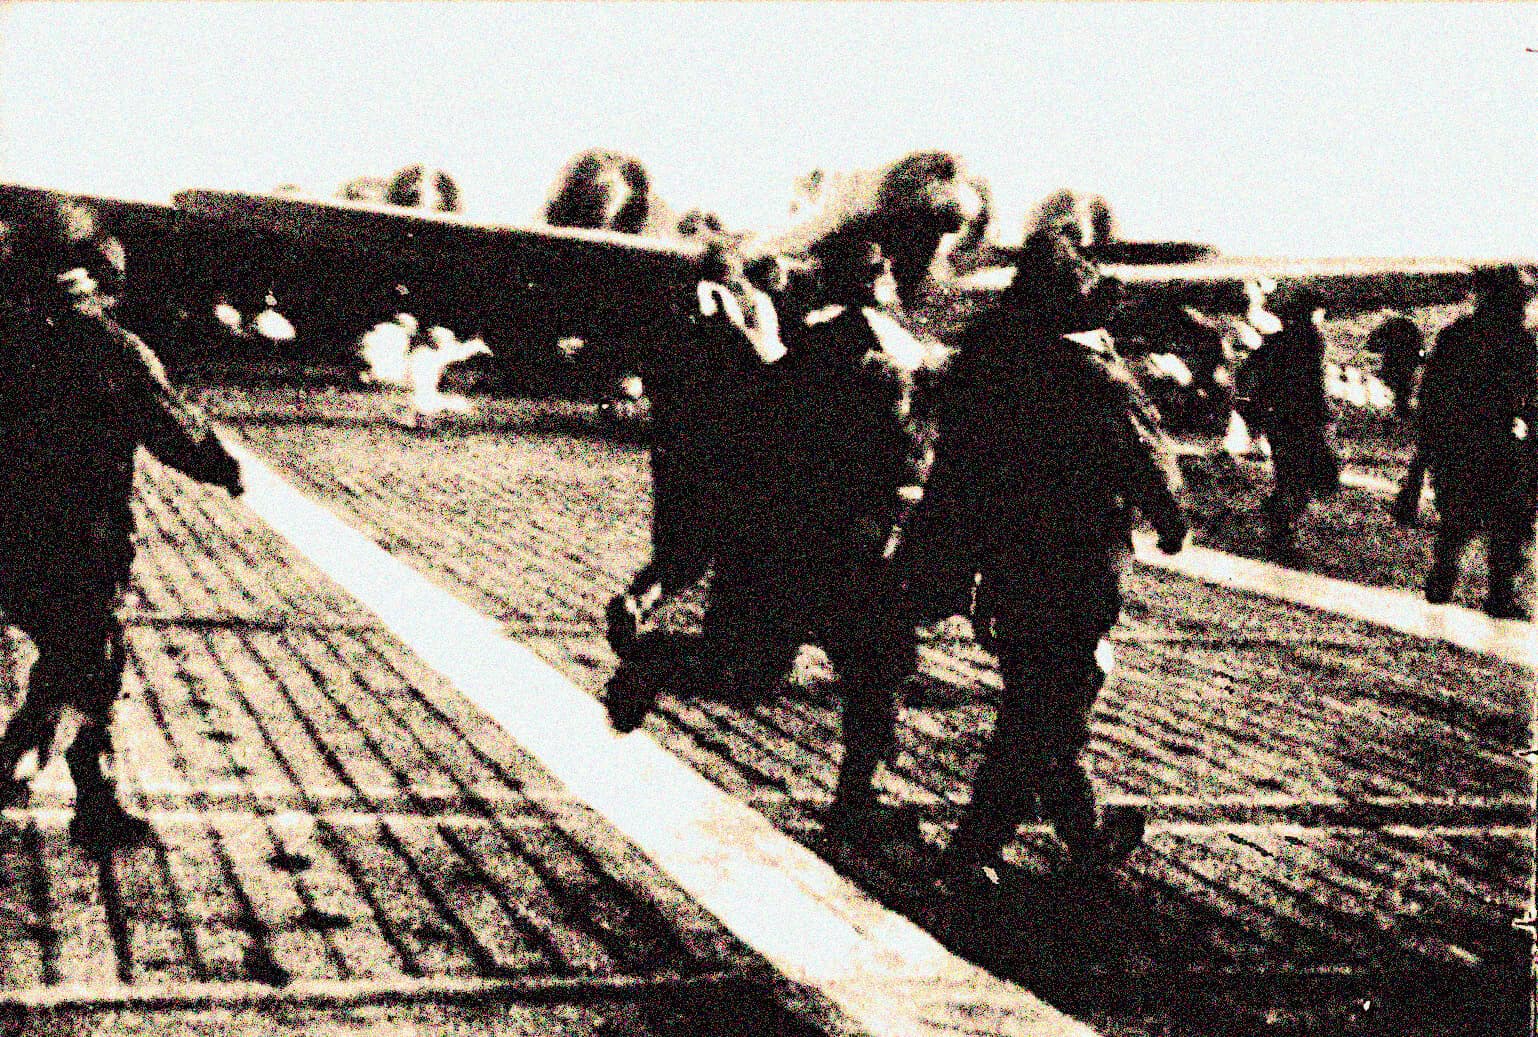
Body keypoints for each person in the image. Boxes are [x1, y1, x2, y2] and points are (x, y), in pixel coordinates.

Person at [891, 228, 1189, 884]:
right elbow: (1147, 460)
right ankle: (975, 851)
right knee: (1050, 704)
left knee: (1042, 696)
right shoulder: (1095, 377)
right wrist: (1171, 522)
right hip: (1079, 567)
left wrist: (934, 561)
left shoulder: (989, 366)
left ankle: (1086, 831)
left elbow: (955, 474)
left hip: (1007, 566)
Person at [0, 194, 245, 850]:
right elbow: (171, 423)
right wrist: (221, 466)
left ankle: (22, 761)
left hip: (11, 534)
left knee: (64, 659)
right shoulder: (107, 345)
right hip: (81, 537)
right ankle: (88, 801)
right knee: (88, 662)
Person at [698, 238, 928, 823]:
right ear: (878, 282)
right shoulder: (889, 346)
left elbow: (763, 424)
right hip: (854, 537)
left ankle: (650, 664)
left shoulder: (802, 343)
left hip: (789, 532)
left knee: (750, 667)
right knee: (878, 670)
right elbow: (905, 434)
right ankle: (855, 796)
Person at [1413, 265, 1538, 619]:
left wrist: (1420, 466)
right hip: (1497, 450)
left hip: (1461, 449)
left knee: (1460, 523)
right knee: (1506, 527)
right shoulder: (1522, 344)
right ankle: (1496, 595)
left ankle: (1444, 585)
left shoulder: (1457, 337)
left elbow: (1431, 402)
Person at [1233, 286, 1341, 561]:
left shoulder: (1278, 342)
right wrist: (1324, 414)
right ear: (1312, 314)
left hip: (1280, 420)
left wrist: (1253, 404)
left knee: (1289, 476)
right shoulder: (1310, 341)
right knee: (1301, 479)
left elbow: (1247, 370)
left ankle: (1280, 525)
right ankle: (1281, 528)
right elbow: (1313, 386)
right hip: (1303, 420)